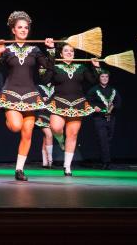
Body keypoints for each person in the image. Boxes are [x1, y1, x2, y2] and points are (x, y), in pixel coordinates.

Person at [0, 11, 54, 181]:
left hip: (30, 95)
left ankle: (19, 170)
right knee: (16, 126)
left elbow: (48, 68)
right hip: (11, 93)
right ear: (13, 30)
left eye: (26, 27)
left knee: (27, 133)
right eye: (20, 27)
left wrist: (51, 50)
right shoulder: (8, 49)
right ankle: (7, 118)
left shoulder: (35, 49)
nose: (23, 30)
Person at [41, 44, 101, 176]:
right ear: (61, 54)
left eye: (72, 51)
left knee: (73, 135)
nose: (69, 53)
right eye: (66, 51)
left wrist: (96, 67)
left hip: (77, 103)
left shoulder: (81, 67)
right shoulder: (55, 66)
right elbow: (45, 80)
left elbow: (93, 81)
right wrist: (50, 63)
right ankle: (61, 140)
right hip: (59, 102)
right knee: (56, 128)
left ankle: (67, 167)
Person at [87, 70, 122, 169]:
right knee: (103, 139)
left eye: (106, 77)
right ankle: (106, 162)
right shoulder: (93, 90)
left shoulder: (113, 90)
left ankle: (104, 159)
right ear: (99, 78)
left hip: (111, 118)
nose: (105, 79)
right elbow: (87, 101)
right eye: (102, 76)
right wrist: (94, 107)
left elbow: (119, 102)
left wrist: (113, 107)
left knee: (108, 139)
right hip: (99, 118)